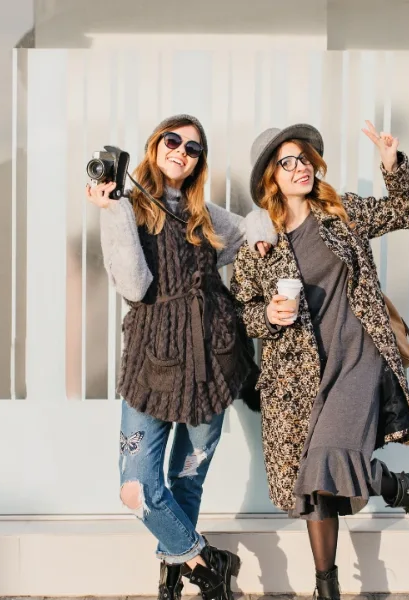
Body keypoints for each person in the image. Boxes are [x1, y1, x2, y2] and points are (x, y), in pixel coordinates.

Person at [229, 121, 409, 600]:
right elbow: (238, 312)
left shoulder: (340, 212)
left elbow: (405, 210)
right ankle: (333, 581)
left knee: (327, 459)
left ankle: (405, 489)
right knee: (314, 485)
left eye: (303, 158)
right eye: (287, 162)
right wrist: (267, 313)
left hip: (356, 356)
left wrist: (392, 164)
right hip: (294, 377)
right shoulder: (258, 240)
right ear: (271, 178)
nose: (300, 167)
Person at [86, 114, 274, 600]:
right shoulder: (127, 207)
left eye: (193, 149)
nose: (181, 152)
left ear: (198, 163)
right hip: (151, 367)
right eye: (173, 141)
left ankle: (173, 582)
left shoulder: (205, 216)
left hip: (213, 362)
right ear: (154, 146)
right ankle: (207, 562)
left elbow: (254, 223)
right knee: (137, 488)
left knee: (186, 482)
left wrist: (262, 237)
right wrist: (111, 212)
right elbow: (135, 286)